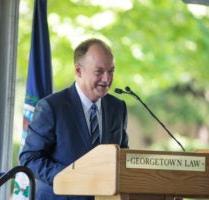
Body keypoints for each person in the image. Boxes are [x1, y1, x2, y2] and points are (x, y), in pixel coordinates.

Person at [19, 38, 129, 200]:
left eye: (111, 70)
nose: (107, 79)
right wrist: (73, 175)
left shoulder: (117, 108)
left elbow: (123, 156)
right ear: (78, 71)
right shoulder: (51, 107)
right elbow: (30, 158)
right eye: (99, 71)